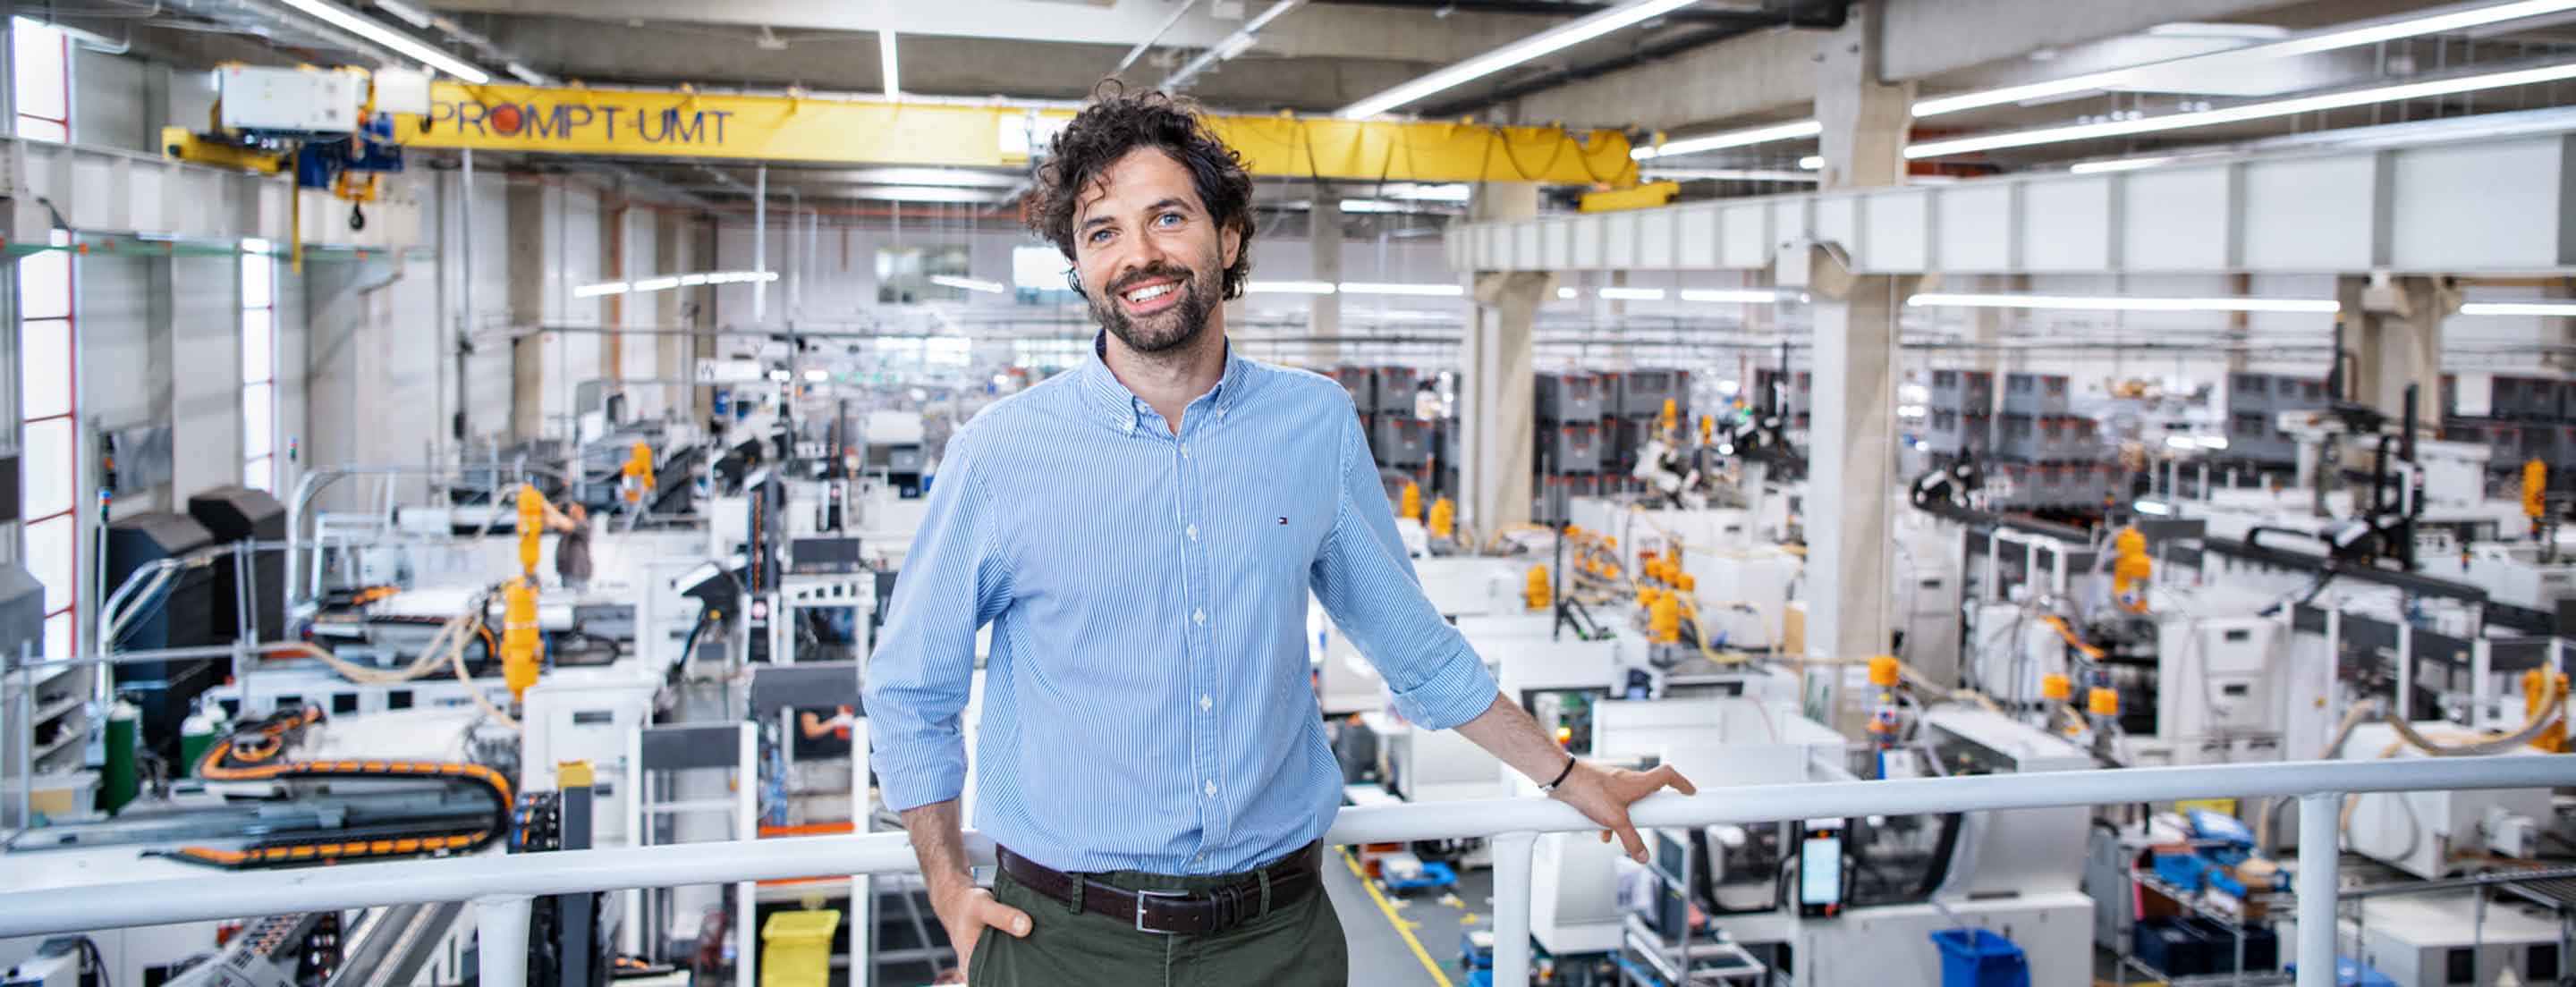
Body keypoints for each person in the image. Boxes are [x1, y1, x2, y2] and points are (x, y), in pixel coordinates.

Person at [863, 84, 1694, 986]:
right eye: (1102, 233)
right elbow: (913, 688)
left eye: (1167, 218)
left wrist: (1568, 777)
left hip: (1278, 939)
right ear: (1079, 265)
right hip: (1066, 941)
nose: (1138, 255)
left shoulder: (1315, 424)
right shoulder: (1001, 453)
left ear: (1226, 238)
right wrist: (948, 884)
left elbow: (1412, 647)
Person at [539, 499, 592, 591]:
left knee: (578, 602)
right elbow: (550, 523)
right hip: (566, 571)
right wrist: (547, 511)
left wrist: (549, 508)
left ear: (581, 509)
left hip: (577, 572)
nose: (570, 510)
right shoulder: (568, 521)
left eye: (573, 507)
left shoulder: (584, 524)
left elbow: (566, 525)